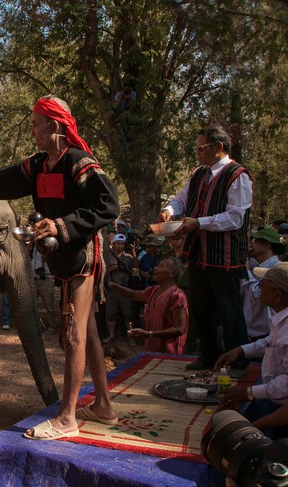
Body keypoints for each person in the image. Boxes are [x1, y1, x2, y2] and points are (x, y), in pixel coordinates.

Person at [0, 95, 120, 440]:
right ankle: (103, 404)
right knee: (86, 330)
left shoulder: (80, 163)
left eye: (35, 124)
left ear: (54, 126)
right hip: (61, 255)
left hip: (82, 257)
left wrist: (60, 225)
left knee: (73, 331)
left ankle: (67, 418)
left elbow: (109, 205)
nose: (32, 131)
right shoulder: (37, 165)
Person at [159, 125, 253, 372]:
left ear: (218, 147)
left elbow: (235, 218)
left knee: (229, 311)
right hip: (199, 252)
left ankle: (237, 361)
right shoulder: (200, 173)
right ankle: (208, 355)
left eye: (201, 148)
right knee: (201, 308)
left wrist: (198, 223)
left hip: (225, 255)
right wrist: (170, 210)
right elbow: (181, 198)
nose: (197, 152)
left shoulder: (237, 175)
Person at [216, 262, 288, 420]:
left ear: (276, 294)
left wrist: (249, 392)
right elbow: (269, 342)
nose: (259, 288)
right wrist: (240, 351)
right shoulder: (281, 321)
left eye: (262, 284)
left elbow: (286, 384)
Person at [109, 257, 189, 354]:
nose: (155, 268)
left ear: (172, 273)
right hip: (152, 349)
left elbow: (179, 329)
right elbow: (132, 294)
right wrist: (113, 285)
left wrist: (149, 334)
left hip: (170, 352)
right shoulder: (153, 290)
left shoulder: (177, 296)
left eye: (161, 266)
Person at [242, 225, 285, 342]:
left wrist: (246, 269)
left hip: (266, 338)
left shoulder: (277, 270)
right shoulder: (255, 268)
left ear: (267, 244)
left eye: (255, 240)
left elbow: (258, 295)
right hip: (250, 338)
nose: (251, 244)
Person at [104, 233, 135, 343]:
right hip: (111, 289)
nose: (120, 246)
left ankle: (131, 337)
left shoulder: (128, 258)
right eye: (118, 243)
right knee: (110, 314)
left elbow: (134, 271)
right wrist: (110, 269)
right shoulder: (107, 257)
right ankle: (111, 335)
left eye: (122, 244)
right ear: (113, 244)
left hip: (125, 289)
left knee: (128, 315)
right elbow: (102, 272)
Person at [29, 242, 58, 335]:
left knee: (49, 306)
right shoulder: (32, 247)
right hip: (33, 278)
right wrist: (31, 242)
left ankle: (51, 327)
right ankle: (34, 326)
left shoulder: (48, 246)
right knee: (31, 305)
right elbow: (24, 252)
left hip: (46, 279)